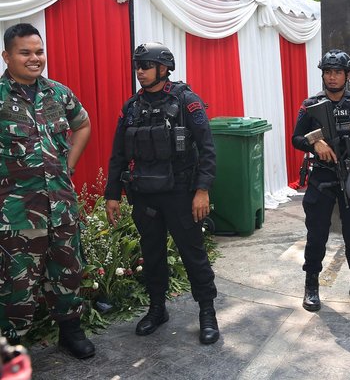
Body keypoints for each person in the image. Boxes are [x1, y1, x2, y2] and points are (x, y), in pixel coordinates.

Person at [104, 42, 219, 344]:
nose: (139, 71)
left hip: (181, 194)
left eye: (146, 65)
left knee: (193, 254)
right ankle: (157, 309)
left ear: (164, 69)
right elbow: (117, 154)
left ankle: (207, 311)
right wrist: (112, 193)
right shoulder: (131, 108)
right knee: (152, 254)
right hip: (144, 194)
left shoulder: (186, 102)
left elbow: (207, 148)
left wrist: (202, 190)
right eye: (137, 66)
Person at [0, 23, 94, 359]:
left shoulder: (58, 93)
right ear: (7, 55)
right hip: (17, 212)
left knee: (68, 271)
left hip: (62, 205)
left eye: (38, 51)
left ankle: (70, 333)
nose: (34, 58)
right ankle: (12, 348)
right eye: (25, 52)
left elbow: (82, 124)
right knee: (17, 285)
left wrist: (68, 166)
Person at [292, 49, 350, 311]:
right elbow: (296, 138)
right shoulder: (311, 105)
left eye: (337, 72)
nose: (332, 77)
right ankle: (311, 286)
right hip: (321, 177)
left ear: (347, 75)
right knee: (316, 235)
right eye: (327, 72)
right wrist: (314, 142)